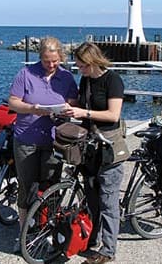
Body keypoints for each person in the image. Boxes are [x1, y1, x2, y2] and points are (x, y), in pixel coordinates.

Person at [8, 36, 78, 253]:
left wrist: (67, 108)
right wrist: (32, 108)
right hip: (26, 139)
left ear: (61, 57)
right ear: (40, 57)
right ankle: (24, 233)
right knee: (26, 187)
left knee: (51, 186)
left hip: (54, 140)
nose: (51, 65)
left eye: (55, 61)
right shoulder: (26, 73)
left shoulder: (66, 76)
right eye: (47, 61)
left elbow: (74, 101)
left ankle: (47, 230)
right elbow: (13, 101)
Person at [63, 42, 125, 264]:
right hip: (90, 148)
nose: (80, 70)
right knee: (92, 199)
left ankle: (108, 251)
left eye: (82, 66)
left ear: (93, 62)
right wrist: (71, 109)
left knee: (108, 202)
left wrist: (84, 111)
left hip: (109, 148)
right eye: (78, 66)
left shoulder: (113, 80)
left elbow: (113, 115)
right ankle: (93, 238)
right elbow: (83, 109)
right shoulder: (86, 80)